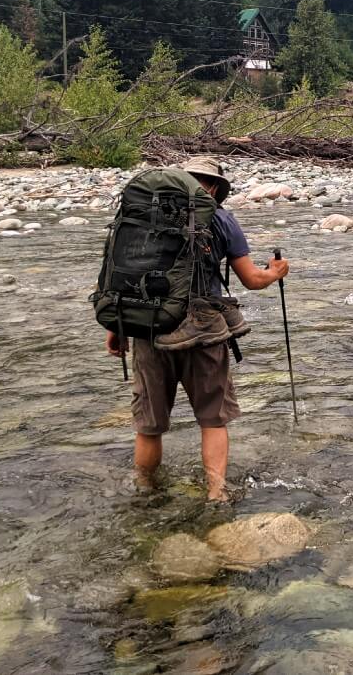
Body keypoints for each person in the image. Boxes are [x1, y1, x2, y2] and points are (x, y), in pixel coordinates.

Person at [104, 157, 289, 501]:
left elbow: (122, 278)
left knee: (149, 425)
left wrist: (117, 327)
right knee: (212, 419)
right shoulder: (221, 218)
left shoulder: (144, 218)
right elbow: (251, 279)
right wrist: (276, 272)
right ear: (215, 187)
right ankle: (216, 492)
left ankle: (145, 490)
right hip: (204, 331)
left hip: (149, 328)